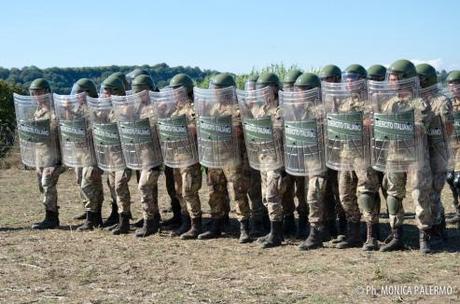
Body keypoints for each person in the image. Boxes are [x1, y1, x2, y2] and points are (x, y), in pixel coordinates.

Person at [370, 59, 435, 254]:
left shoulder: (419, 102)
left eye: (395, 78)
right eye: (390, 78)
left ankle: (424, 237)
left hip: (415, 155)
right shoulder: (389, 103)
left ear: (406, 79)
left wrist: (396, 125)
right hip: (394, 154)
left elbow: (422, 127)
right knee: (393, 194)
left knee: (419, 194)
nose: (391, 82)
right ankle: (396, 235)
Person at [195, 73, 252, 243]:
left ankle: (244, 226)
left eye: (219, 90)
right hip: (214, 156)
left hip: (233, 157)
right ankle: (216, 224)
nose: (216, 93)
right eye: (215, 89)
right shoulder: (212, 108)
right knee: (214, 191)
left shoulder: (239, 108)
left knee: (238, 191)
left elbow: (241, 131)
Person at [14, 78, 62, 229]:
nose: (36, 96)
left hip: (54, 156)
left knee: (47, 184)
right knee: (42, 187)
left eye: (38, 92)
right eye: (33, 93)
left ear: (46, 92)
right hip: (40, 156)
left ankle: (52, 218)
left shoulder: (55, 110)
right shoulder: (38, 111)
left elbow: (57, 132)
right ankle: (49, 214)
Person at [447, 70, 460, 225]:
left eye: (457, 84)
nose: (454, 87)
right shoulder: (448, 103)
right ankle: (457, 210)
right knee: (450, 179)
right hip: (450, 146)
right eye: (451, 84)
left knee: (459, 180)